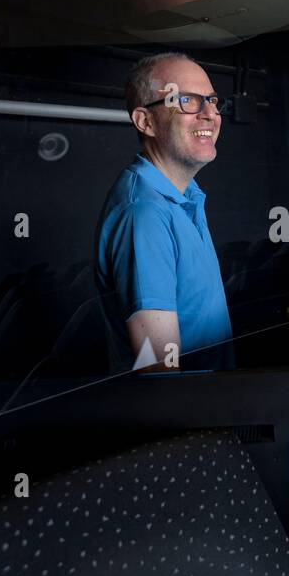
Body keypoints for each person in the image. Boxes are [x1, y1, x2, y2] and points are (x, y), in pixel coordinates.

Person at [95, 52, 233, 373]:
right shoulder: (145, 213)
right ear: (146, 121)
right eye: (187, 100)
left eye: (211, 100)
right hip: (193, 418)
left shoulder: (185, 195)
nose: (210, 114)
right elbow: (159, 371)